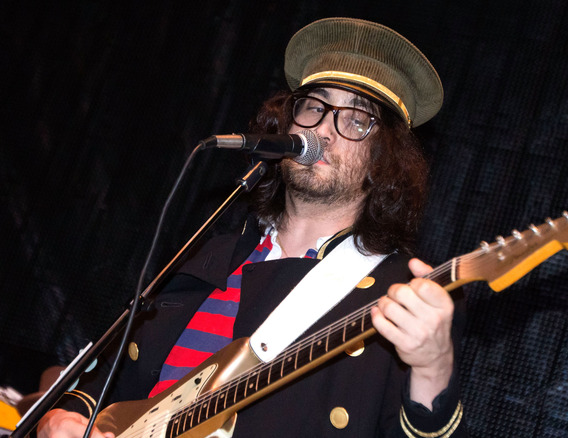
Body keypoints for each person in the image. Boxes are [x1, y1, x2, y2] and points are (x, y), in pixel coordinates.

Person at [37, 17, 466, 437]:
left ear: (384, 159)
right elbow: (104, 380)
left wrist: (433, 368)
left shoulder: (405, 296)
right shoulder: (210, 254)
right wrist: (66, 414)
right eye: (315, 107)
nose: (324, 130)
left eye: (356, 120)